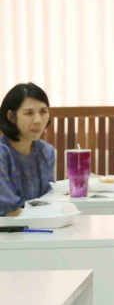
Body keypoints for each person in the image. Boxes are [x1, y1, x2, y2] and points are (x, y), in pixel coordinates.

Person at [0, 83, 57, 217]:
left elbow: (49, 198)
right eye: (29, 113)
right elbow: (9, 210)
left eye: (43, 111)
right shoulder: (2, 154)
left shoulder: (46, 151)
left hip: (38, 224)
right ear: (11, 117)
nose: (38, 120)